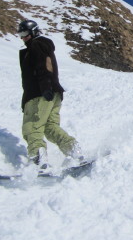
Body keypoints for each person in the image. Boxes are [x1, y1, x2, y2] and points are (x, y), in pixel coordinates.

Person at [17, 19, 84, 174]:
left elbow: (44, 65)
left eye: (25, 33)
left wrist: (45, 87)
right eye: (20, 34)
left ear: (33, 31)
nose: (23, 37)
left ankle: (38, 162)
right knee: (50, 127)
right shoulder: (42, 45)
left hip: (39, 94)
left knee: (32, 127)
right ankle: (74, 151)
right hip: (53, 93)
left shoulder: (36, 45)